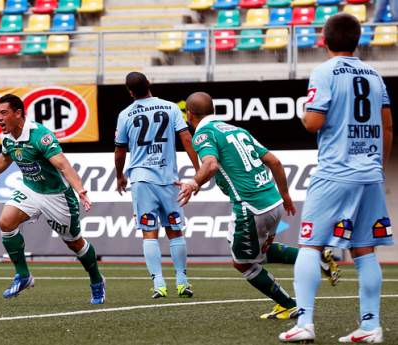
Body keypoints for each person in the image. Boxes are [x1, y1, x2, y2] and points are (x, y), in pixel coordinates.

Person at [279, 13, 394, 343]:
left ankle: (305, 323)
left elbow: (314, 122)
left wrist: (305, 114)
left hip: (335, 172)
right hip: (370, 174)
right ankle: (371, 326)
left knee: (310, 245)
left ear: (323, 40)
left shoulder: (323, 71)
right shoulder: (374, 75)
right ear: (358, 41)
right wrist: (377, 166)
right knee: (365, 250)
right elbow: (387, 126)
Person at [177, 92, 340, 320]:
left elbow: (211, 164)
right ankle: (317, 256)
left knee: (243, 263)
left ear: (189, 115)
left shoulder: (203, 134)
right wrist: (285, 195)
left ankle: (289, 304)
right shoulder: (237, 130)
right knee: (257, 251)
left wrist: (193, 183)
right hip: (273, 202)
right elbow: (274, 161)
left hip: (251, 207)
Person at [0, 94, 106, 304]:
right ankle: (23, 276)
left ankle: (96, 280)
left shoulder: (39, 135)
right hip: (30, 189)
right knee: (6, 222)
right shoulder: (8, 136)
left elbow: (63, 165)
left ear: (18, 113)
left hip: (57, 196)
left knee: (75, 243)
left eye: (3, 113)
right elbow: (6, 157)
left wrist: (80, 189)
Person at [115, 72, 200, 299]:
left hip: (142, 180)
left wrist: (119, 176)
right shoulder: (171, 107)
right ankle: (182, 282)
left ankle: (159, 284)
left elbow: (120, 150)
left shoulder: (125, 115)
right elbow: (186, 139)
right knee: (175, 231)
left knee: (149, 233)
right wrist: (197, 169)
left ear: (130, 91)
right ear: (149, 84)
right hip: (168, 179)